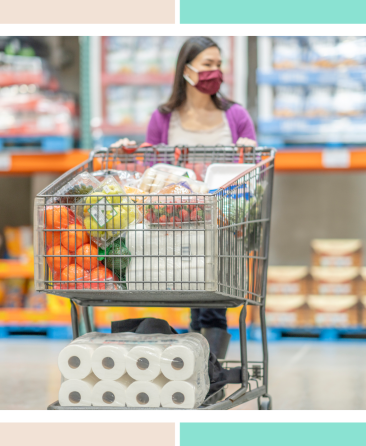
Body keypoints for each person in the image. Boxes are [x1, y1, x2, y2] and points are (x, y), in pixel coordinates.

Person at [112, 36, 257, 360]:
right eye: (207, 65)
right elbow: (151, 173)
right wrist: (129, 153)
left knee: (211, 297)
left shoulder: (236, 116)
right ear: (187, 69)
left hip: (220, 219)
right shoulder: (163, 118)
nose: (214, 72)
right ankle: (202, 364)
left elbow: (249, 174)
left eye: (218, 65)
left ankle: (204, 363)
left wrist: (247, 153)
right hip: (176, 219)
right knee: (195, 286)